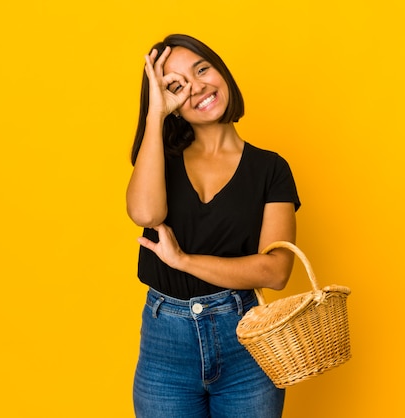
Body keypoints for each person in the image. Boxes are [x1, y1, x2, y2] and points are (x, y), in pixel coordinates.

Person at [126, 34, 301, 418]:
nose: (198, 86)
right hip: (165, 345)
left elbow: (275, 271)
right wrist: (155, 114)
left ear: (221, 70)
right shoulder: (160, 160)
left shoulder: (271, 169)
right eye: (177, 84)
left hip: (246, 340)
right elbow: (145, 214)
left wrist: (183, 260)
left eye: (201, 69)